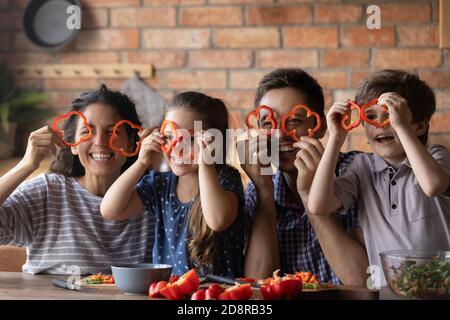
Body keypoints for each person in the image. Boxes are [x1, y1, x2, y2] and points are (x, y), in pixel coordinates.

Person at [307, 69, 450, 286]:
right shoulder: (361, 168)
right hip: (387, 290)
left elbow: (433, 186)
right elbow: (318, 205)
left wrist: (401, 127)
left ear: (419, 126)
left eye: (391, 116)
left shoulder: (435, 156)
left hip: (441, 288)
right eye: (371, 117)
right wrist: (335, 139)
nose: (380, 124)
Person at [0, 84, 155, 275]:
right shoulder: (48, 191)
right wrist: (25, 166)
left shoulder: (153, 197)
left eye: (111, 131)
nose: (99, 142)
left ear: (132, 142)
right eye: (86, 132)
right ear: (72, 145)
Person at [243, 68, 368, 285]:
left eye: (294, 121)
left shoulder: (357, 173)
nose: (281, 134)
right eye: (268, 123)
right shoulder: (259, 189)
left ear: (319, 127)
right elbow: (257, 287)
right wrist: (264, 192)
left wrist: (310, 193)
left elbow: (362, 282)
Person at [101, 91, 246, 277]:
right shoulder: (161, 183)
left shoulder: (226, 178)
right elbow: (110, 210)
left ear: (214, 142)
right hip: (168, 292)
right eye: (169, 137)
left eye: (191, 139)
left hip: (217, 295)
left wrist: (205, 164)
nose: (178, 147)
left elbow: (217, 220)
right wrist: (141, 163)